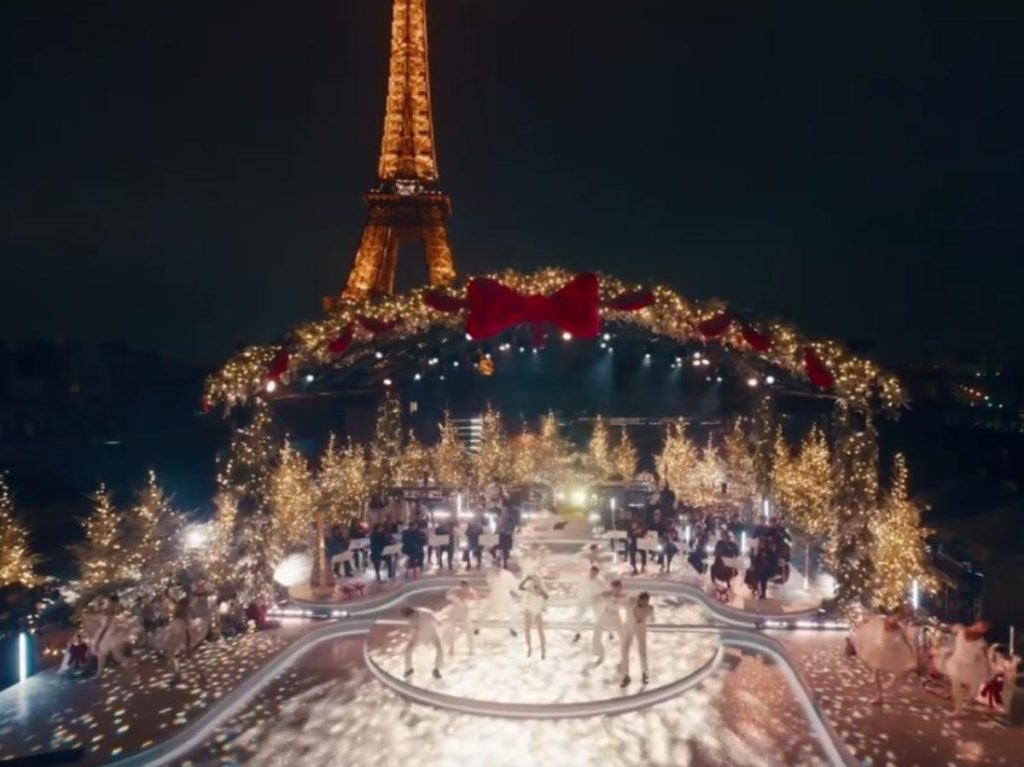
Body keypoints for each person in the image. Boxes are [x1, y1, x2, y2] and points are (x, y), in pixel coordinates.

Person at [849, 610, 918, 704]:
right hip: (877, 651)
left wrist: (910, 652)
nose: (896, 619)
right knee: (875, 674)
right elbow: (871, 621)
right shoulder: (881, 621)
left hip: (889, 652)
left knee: (901, 670)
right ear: (891, 615)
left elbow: (905, 641)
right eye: (896, 616)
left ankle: (890, 684)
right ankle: (879, 696)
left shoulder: (899, 628)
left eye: (899, 617)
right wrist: (865, 622)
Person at [87, 594, 139, 679]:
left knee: (118, 657)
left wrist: (98, 641)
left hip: (109, 636)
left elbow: (105, 628)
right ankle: (99, 674)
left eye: (110, 601)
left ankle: (133, 667)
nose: (108, 603)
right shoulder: (110, 610)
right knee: (101, 655)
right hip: (109, 635)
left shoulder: (109, 611)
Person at [947, 621, 992, 716]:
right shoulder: (961, 630)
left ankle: (969, 701)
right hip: (956, 662)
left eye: (984, 629)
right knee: (955, 687)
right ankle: (958, 709)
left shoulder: (981, 642)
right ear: (976, 624)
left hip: (969, 665)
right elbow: (950, 633)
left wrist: (987, 667)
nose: (981, 629)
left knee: (973, 687)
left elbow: (984, 656)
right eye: (981, 626)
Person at [620, 591, 655, 687]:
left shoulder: (650, 608)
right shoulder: (631, 602)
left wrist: (647, 618)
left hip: (640, 630)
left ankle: (645, 674)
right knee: (624, 651)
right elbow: (621, 602)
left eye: (646, 601)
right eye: (642, 600)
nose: (644, 603)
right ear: (639, 599)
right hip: (628, 628)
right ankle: (626, 676)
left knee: (642, 653)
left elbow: (652, 619)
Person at [401, 606, 443, 679]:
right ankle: (409, 669)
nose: (411, 619)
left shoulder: (426, 612)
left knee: (439, 649)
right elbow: (413, 628)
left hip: (431, 632)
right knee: (408, 651)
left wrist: (438, 622)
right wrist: (414, 633)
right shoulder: (410, 618)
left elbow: (436, 619)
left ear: (414, 612)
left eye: (411, 617)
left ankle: (436, 669)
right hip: (418, 634)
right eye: (409, 618)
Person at [592, 579, 627, 667]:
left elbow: (628, 603)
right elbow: (597, 597)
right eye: (617, 588)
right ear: (613, 587)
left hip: (616, 616)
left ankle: (623, 659)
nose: (619, 589)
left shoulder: (623, 596)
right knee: (596, 634)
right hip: (606, 614)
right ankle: (601, 656)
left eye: (620, 588)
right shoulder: (606, 594)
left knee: (624, 638)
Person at [480, 562, 519, 637]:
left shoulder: (508, 574)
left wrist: (517, 592)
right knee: (487, 611)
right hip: (495, 595)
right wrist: (492, 575)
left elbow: (513, 584)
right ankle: (478, 628)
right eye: (493, 567)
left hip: (505, 596)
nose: (494, 569)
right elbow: (490, 584)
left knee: (512, 612)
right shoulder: (491, 574)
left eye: (496, 567)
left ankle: (513, 628)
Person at [519, 573, 550, 659]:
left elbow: (546, 596)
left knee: (540, 632)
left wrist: (540, 591)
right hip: (529, 610)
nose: (535, 582)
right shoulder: (529, 588)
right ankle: (529, 648)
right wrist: (526, 579)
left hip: (537, 611)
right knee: (527, 630)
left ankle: (543, 650)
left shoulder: (542, 589)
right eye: (534, 580)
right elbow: (520, 587)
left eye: (536, 580)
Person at [573, 565, 606, 643]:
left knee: (599, 616)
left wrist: (598, 596)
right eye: (592, 572)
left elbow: (604, 590)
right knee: (579, 616)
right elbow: (579, 588)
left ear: (597, 573)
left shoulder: (600, 580)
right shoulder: (583, 578)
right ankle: (578, 633)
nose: (593, 574)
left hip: (595, 600)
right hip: (584, 600)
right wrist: (579, 598)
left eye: (595, 573)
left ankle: (606, 633)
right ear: (590, 571)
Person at [445, 579, 478, 656]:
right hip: (455, 609)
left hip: (465, 611)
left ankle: (471, 649)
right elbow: (448, 596)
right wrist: (454, 598)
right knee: (450, 627)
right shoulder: (455, 590)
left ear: (468, 587)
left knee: (469, 629)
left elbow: (475, 601)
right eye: (463, 588)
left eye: (465, 588)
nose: (464, 590)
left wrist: (468, 603)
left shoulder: (471, 592)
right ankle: (451, 647)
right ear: (461, 586)